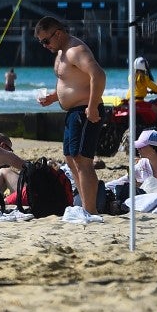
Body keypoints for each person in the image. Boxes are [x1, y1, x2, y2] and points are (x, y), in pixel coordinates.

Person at [35, 15, 107, 213]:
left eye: (46, 41)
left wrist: (92, 106)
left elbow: (98, 75)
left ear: (57, 33)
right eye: (41, 42)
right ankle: (85, 206)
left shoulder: (76, 50)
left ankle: (90, 211)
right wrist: (53, 97)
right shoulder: (60, 53)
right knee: (70, 158)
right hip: (74, 112)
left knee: (83, 160)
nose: (44, 45)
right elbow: (72, 83)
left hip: (85, 110)